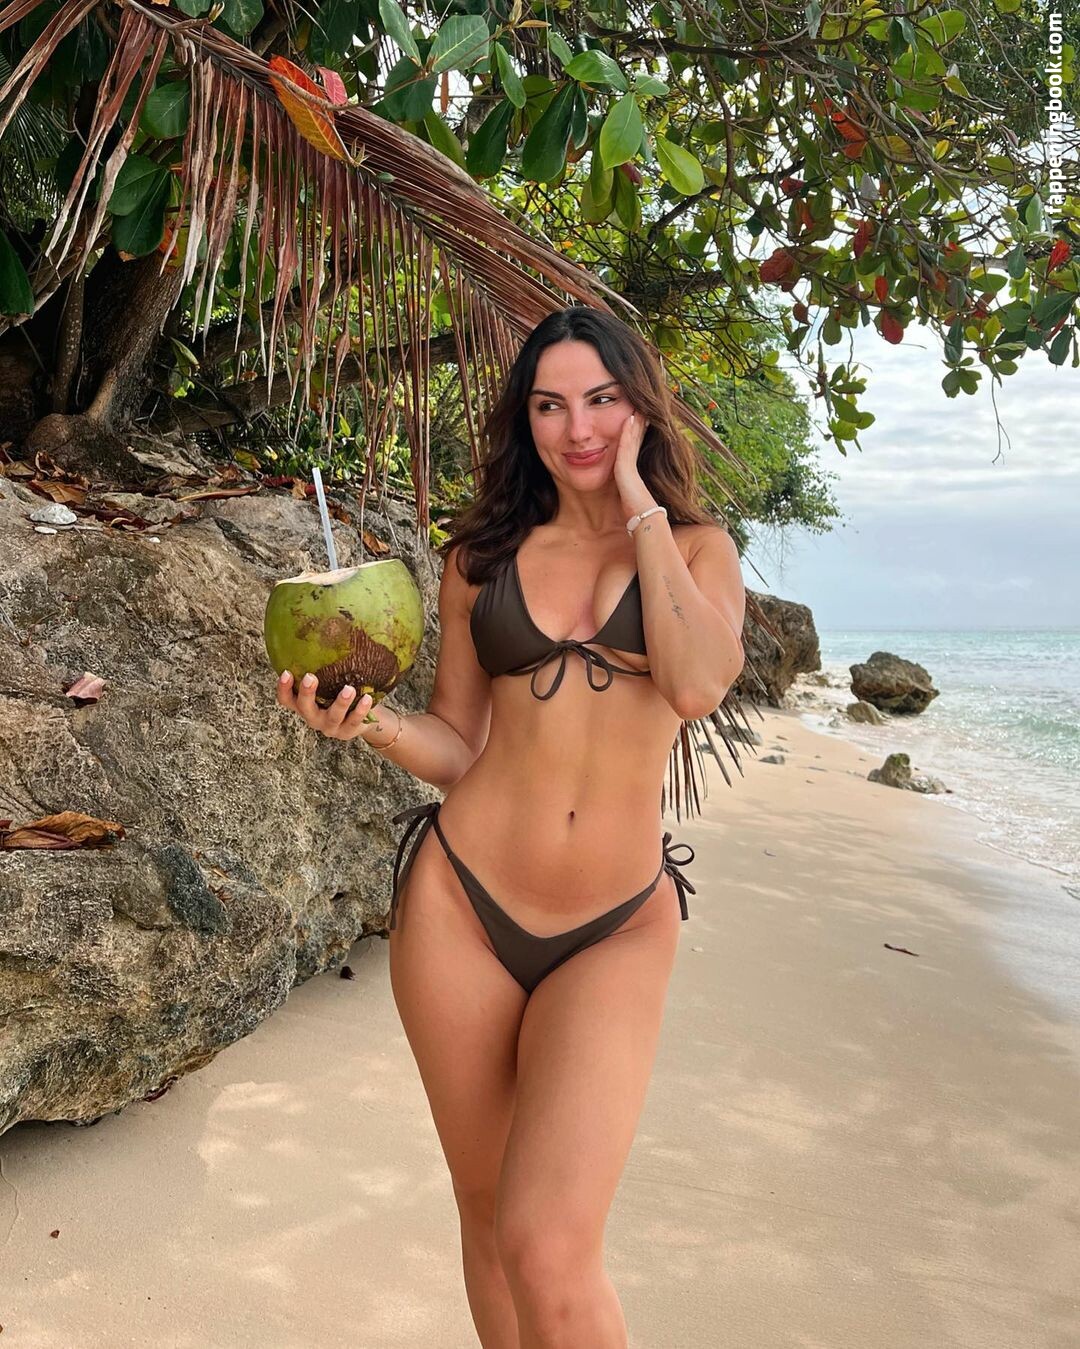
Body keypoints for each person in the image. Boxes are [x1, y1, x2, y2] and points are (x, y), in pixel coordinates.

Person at [276, 307, 746, 1348]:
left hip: (615, 923)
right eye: (549, 404)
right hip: (463, 905)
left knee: (549, 1243)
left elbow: (698, 684)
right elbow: (459, 742)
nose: (577, 428)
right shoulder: (480, 559)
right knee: (489, 1219)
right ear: (523, 418)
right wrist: (367, 723)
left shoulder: (699, 551)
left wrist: (639, 508)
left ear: (640, 407)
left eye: (601, 399)